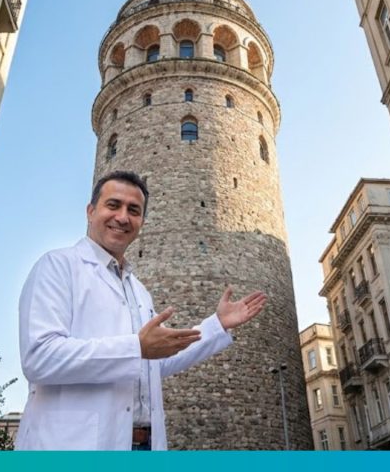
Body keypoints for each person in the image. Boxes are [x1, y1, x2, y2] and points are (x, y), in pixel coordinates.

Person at [16, 170, 267, 450]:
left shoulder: (139, 291)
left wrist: (216, 325)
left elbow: (153, 362)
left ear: (142, 222)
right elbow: (39, 357)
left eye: (133, 210)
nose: (122, 217)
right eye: (113, 205)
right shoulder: (57, 267)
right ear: (90, 211)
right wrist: (136, 347)